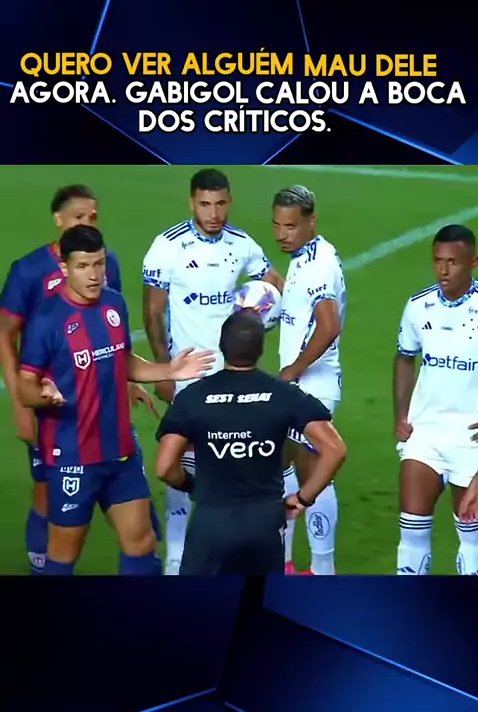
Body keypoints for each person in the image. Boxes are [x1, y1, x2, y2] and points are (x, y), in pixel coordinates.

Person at [17, 225, 213, 576]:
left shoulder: (113, 304)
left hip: (120, 452)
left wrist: (169, 369)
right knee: (63, 554)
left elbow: (121, 360)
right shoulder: (46, 320)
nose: (94, 275)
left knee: (141, 543)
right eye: (83, 266)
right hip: (73, 458)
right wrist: (42, 396)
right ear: (64, 268)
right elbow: (26, 386)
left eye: (99, 264)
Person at [0, 184, 162, 575]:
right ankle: (41, 567)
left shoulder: (107, 264)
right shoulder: (28, 271)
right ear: (58, 219)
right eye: (78, 217)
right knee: (47, 496)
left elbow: (109, 331)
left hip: (101, 405)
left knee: (139, 528)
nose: (87, 223)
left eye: (92, 217)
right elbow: (6, 335)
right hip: (53, 406)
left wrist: (127, 382)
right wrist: (22, 402)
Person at [142, 167, 284, 574]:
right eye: (205, 204)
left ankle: (236, 552)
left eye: (221, 203)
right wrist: (165, 371)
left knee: (232, 457)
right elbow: (152, 312)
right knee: (180, 461)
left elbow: (273, 281)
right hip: (188, 374)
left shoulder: (241, 244)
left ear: (229, 201)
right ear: (192, 202)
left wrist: (265, 310)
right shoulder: (167, 247)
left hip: (234, 373)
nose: (214, 213)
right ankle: (176, 559)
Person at [154, 311, 346, 575]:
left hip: (211, 522)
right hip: (265, 523)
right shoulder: (284, 395)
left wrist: (192, 485)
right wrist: (303, 498)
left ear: (221, 346)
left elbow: (164, 467)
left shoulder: (192, 398)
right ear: (260, 349)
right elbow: (334, 450)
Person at [394, 223, 478, 575]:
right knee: (411, 537)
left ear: (472, 262)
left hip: (472, 440)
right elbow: (404, 357)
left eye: (452, 262)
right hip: (425, 433)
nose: (443, 270)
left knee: (472, 544)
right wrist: (401, 414)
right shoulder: (418, 306)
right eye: (437, 261)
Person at [273, 185, 346, 575]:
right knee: (282, 464)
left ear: (310, 222)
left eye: (290, 226)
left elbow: (328, 325)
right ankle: (284, 561)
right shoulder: (302, 257)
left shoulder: (320, 264)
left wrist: (294, 368)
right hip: (298, 386)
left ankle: (321, 568)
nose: (281, 234)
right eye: (277, 225)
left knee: (314, 474)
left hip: (313, 387)